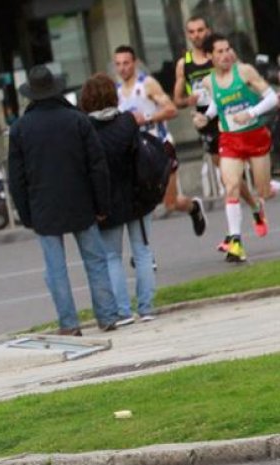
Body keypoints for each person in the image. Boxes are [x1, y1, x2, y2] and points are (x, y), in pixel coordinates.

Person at [8, 65, 120, 336]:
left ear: (31, 95)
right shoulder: (77, 120)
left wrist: (26, 214)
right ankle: (107, 316)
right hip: (81, 201)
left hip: (43, 207)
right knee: (96, 261)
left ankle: (69, 324)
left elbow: (16, 178)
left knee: (55, 270)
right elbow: (97, 166)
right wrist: (101, 205)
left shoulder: (21, 128)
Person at [80, 73, 157, 325]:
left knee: (112, 257)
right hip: (137, 195)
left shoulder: (85, 129)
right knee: (143, 251)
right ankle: (146, 308)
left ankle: (123, 311)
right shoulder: (127, 122)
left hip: (107, 201)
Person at [194, 33, 276, 263]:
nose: (225, 55)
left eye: (227, 49)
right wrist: (205, 117)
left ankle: (259, 209)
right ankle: (236, 242)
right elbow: (216, 103)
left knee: (264, 191)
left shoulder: (245, 71)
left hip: (255, 135)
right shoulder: (208, 80)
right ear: (209, 56)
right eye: (219, 52)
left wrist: (250, 113)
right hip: (230, 139)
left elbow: (272, 98)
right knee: (230, 187)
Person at [114, 45, 207, 237]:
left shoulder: (147, 84)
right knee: (137, 202)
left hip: (161, 146)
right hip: (137, 152)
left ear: (135, 63)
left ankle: (193, 207)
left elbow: (171, 109)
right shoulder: (116, 93)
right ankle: (144, 253)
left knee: (170, 203)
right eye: (118, 64)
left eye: (126, 63)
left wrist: (146, 119)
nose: (123, 68)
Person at [172, 17, 255, 220]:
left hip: (231, 114)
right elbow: (177, 100)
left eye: (200, 30)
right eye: (191, 32)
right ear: (187, 34)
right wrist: (187, 99)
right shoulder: (185, 64)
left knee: (246, 167)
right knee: (229, 175)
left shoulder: (223, 55)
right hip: (208, 123)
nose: (196, 35)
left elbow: (245, 77)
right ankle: (253, 207)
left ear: (208, 30)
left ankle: (259, 195)